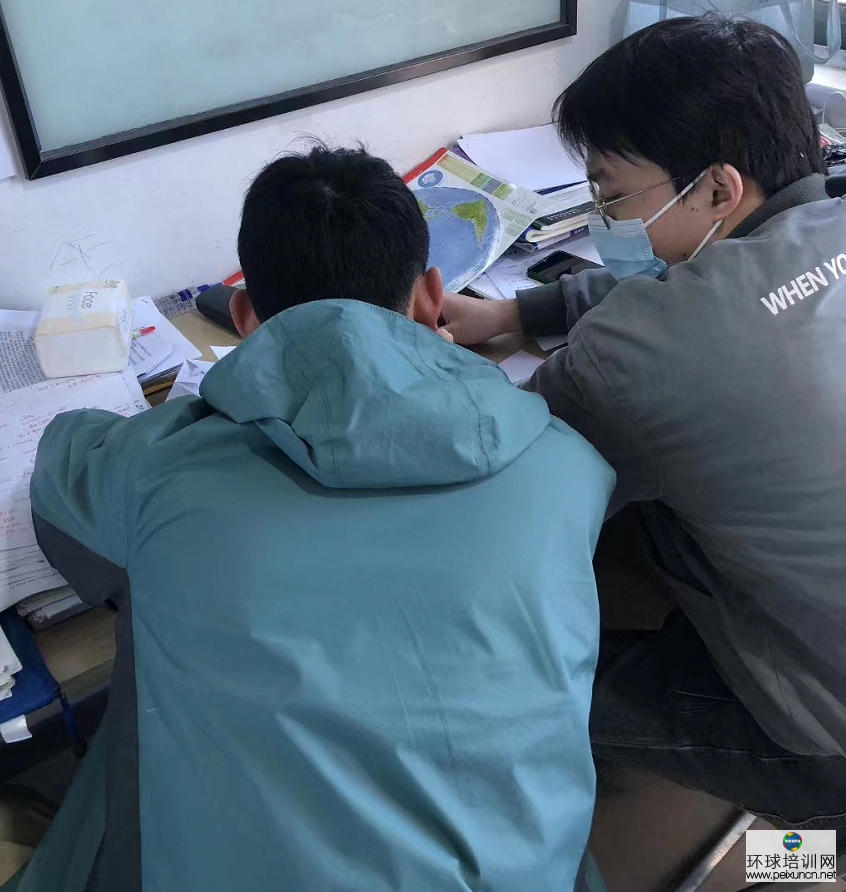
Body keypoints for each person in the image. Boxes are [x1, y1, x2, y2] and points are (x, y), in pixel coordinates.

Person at [18, 146, 614, 891]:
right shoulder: (565, 464)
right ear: (432, 297)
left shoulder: (160, 471)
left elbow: (60, 472)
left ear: (244, 318)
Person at [442, 16, 846, 828]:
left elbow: (494, 475)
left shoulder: (633, 355)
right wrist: (522, 312)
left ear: (718, 189)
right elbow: (721, 292)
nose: (601, 215)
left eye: (611, 195)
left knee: (490, 687)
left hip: (827, 740)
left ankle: (791, 859)